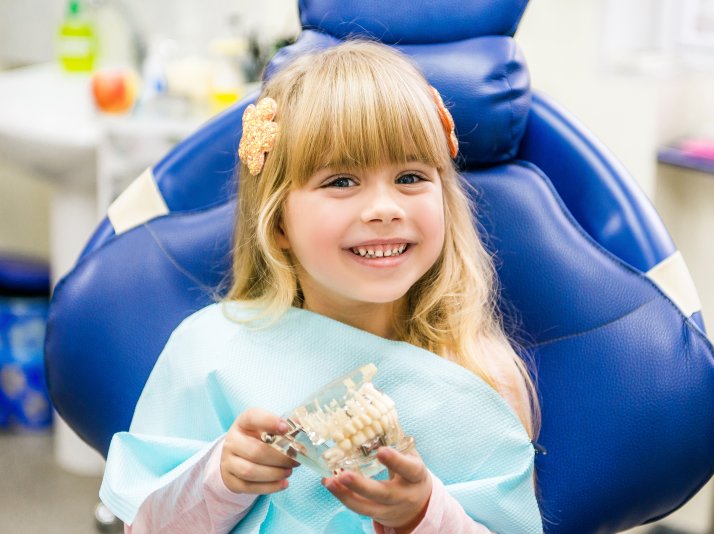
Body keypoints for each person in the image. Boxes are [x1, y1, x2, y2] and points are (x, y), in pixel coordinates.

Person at [100, 40, 543, 533]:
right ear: (278, 224)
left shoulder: (480, 375)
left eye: (411, 176)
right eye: (341, 181)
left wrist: (422, 515)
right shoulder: (210, 355)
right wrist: (219, 479)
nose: (384, 207)